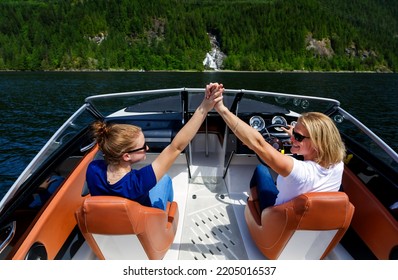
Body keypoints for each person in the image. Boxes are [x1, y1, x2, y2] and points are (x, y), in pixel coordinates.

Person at [86, 83, 223, 211]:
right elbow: (176, 147)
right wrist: (204, 107)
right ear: (126, 156)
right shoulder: (139, 182)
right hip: (146, 229)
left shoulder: (93, 169)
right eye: (143, 147)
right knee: (165, 179)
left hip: (110, 228)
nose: (147, 148)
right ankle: (168, 212)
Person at [210, 83, 346, 211]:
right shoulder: (338, 164)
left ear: (318, 143)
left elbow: (258, 143)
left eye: (298, 137)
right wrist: (297, 135)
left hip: (274, 219)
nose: (291, 138)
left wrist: (222, 109)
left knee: (261, 169)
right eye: (293, 133)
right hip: (306, 220)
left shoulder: (299, 172)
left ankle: (252, 205)